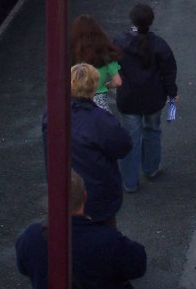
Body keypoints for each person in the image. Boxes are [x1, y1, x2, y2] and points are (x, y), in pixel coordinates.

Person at [15, 170, 147, 289]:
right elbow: (138, 266)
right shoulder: (107, 239)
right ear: (85, 197)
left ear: (49, 200)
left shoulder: (30, 237)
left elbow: (23, 268)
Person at [43, 62, 132, 225]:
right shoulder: (101, 120)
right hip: (98, 196)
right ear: (94, 87)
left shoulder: (52, 113)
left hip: (63, 190)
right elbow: (123, 146)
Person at [114, 3, 178, 192]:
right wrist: (172, 93)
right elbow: (169, 72)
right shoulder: (159, 45)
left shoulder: (119, 42)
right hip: (153, 98)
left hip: (128, 98)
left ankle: (130, 181)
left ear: (132, 20)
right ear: (151, 21)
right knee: (152, 130)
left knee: (130, 138)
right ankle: (150, 168)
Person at [72, 14, 122, 111]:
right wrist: (106, 85)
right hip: (99, 98)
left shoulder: (71, 53)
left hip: (76, 99)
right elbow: (118, 82)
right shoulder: (106, 53)